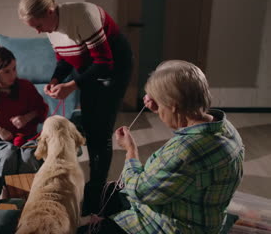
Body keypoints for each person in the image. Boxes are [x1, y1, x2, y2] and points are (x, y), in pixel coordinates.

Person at [93, 60, 244, 233]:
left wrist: (131, 151)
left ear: (174, 106)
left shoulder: (186, 151)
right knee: (109, 193)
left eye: (159, 103)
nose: (156, 109)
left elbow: (139, 191)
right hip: (207, 220)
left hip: (171, 227)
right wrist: (160, 106)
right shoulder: (227, 129)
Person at [18, 0, 133, 213]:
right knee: (90, 126)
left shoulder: (83, 15)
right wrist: (55, 79)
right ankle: (94, 185)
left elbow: (104, 64)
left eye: (38, 26)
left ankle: (96, 193)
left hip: (114, 67)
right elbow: (64, 59)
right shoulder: (51, 27)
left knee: (101, 129)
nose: (39, 32)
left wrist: (71, 86)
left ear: (51, 12)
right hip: (91, 66)